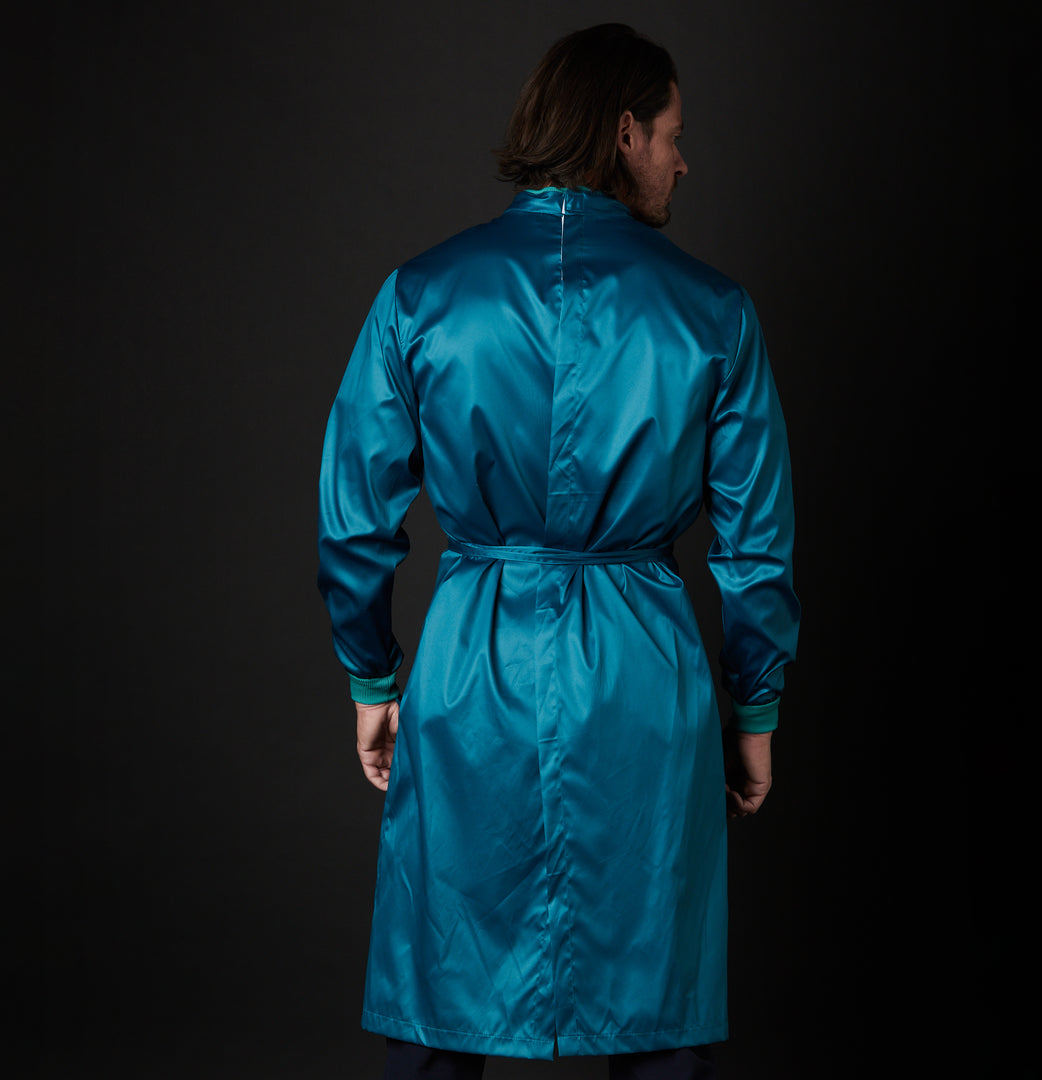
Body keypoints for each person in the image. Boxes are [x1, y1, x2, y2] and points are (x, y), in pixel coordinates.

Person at [317, 23, 800, 1080]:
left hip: (470, 668)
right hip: (644, 674)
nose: (683, 160)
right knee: (655, 1009)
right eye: (673, 134)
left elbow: (355, 517)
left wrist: (372, 676)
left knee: (442, 1002)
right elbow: (755, 545)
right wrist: (754, 708)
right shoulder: (714, 313)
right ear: (625, 133)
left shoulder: (421, 295)